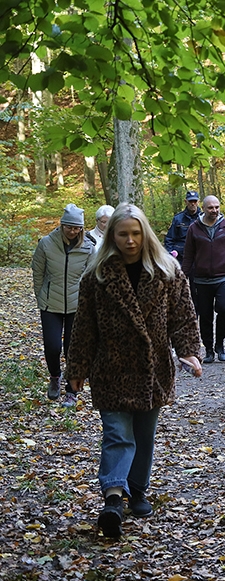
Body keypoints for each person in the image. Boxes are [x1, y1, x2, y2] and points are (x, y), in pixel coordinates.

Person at [66, 204, 202, 539]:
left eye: (136, 233)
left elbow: (183, 316)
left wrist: (188, 351)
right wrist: (77, 368)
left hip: (151, 368)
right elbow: (84, 327)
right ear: (112, 235)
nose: (130, 240)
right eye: (123, 234)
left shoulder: (167, 272)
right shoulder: (97, 277)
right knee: (117, 434)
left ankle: (137, 491)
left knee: (143, 436)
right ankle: (113, 496)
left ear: (146, 234)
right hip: (110, 367)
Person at [31, 203, 95, 406]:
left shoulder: (88, 247)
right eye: (69, 227)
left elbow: (91, 276)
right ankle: (55, 377)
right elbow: (38, 272)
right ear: (62, 225)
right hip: (51, 304)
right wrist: (41, 297)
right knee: (52, 346)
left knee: (72, 350)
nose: (73, 231)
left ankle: (71, 392)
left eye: (77, 228)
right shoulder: (46, 244)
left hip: (77, 306)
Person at [182, 195, 225, 363]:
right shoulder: (194, 228)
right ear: (204, 208)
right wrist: (183, 277)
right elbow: (188, 255)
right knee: (205, 315)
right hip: (201, 279)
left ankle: (220, 344)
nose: (214, 210)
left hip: (222, 277)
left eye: (217, 207)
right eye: (210, 208)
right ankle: (208, 349)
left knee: (223, 309)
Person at [164, 191, 201, 263]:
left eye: (195, 201)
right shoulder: (178, 219)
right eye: (190, 201)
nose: (193, 203)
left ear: (198, 202)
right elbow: (169, 238)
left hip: (199, 257)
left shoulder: (203, 218)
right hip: (181, 257)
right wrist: (170, 254)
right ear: (186, 202)